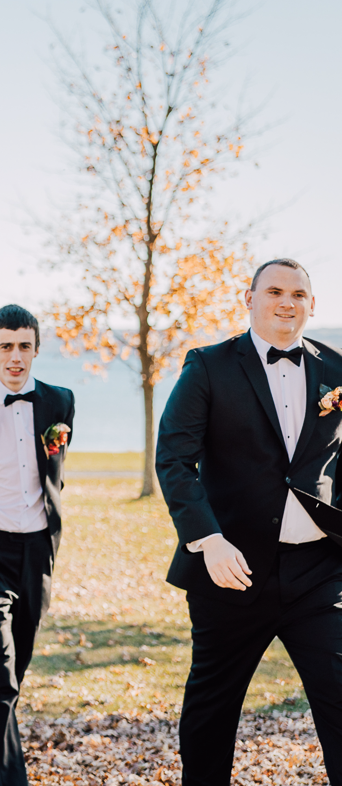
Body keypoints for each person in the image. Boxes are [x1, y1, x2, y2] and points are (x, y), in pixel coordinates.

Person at [157, 258, 342, 785]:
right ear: (250, 298)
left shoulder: (337, 371)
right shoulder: (208, 366)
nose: (287, 303)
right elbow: (173, 458)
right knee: (211, 714)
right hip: (231, 571)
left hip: (319, 573)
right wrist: (206, 539)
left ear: (312, 304)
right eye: (275, 291)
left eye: (299, 294)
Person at [0, 305, 75, 786]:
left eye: (25, 346)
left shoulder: (59, 402)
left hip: (36, 551)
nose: (16, 356)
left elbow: (55, 475)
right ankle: (7, 778)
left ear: (36, 349)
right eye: (6, 346)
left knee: (17, 664)